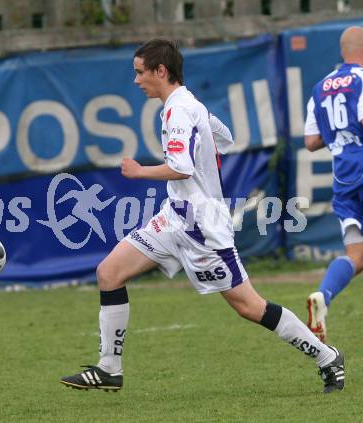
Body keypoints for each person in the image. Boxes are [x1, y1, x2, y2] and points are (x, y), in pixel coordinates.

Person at [60, 38, 344, 394]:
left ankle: (326, 356)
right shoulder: (187, 104)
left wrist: (139, 172)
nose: (135, 81)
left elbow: (181, 167)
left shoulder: (179, 110)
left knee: (248, 306)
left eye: (139, 72)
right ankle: (109, 369)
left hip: (202, 228)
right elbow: (224, 138)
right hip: (173, 218)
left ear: (160, 71)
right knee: (109, 272)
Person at [304, 26, 363, 342]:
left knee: (357, 255)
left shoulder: (320, 87)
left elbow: (311, 140)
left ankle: (323, 296)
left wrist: (339, 136)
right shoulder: (362, 79)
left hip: (343, 177)